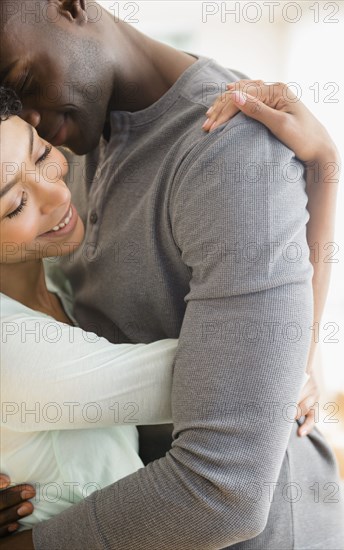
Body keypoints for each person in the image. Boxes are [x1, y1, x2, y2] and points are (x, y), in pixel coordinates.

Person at [0, 1, 344, 549]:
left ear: (69, 7)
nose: (30, 118)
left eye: (24, 81)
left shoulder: (231, 145)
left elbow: (226, 486)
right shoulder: (70, 140)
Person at [0, 85, 177, 529]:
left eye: (40, 156)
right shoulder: (10, 345)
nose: (58, 195)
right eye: (15, 204)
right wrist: (319, 173)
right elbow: (228, 376)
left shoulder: (63, 282)